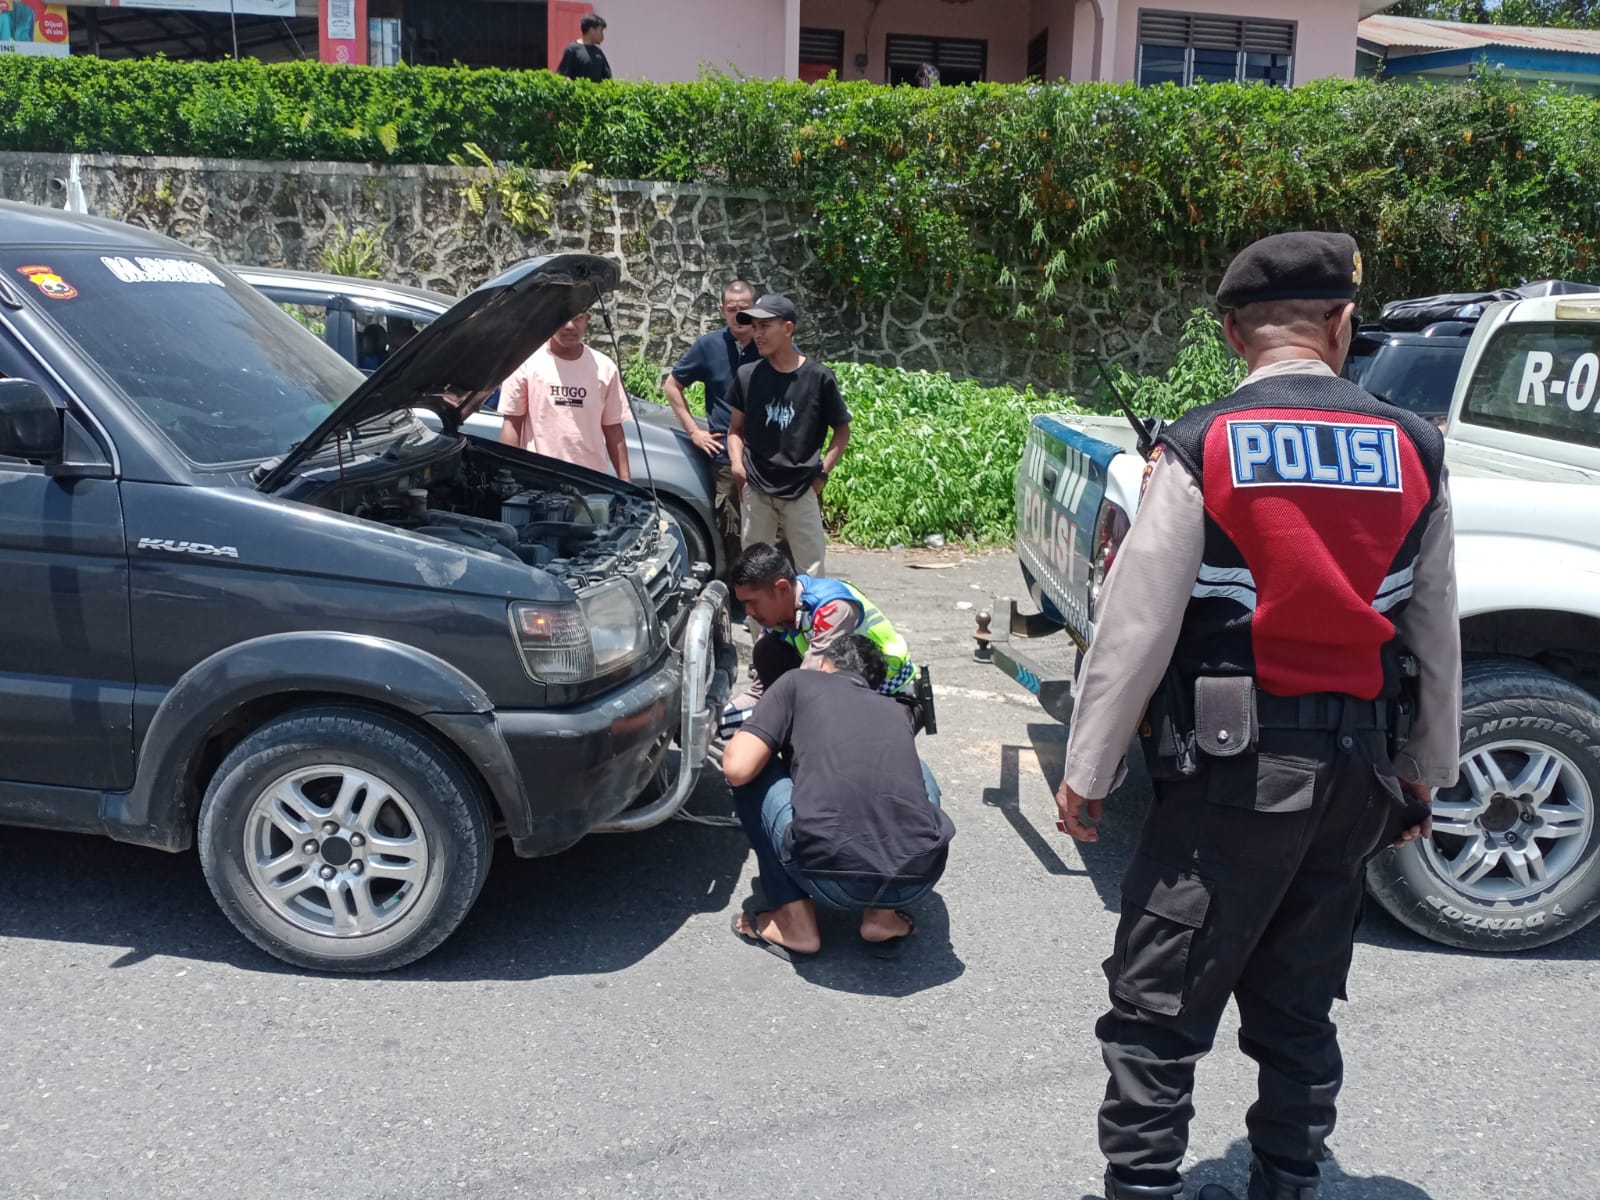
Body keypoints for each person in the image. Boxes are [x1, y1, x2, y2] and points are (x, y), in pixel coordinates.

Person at [1054, 231, 1460, 1200]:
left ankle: (1143, 1188)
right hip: (1355, 779)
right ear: (1340, 324)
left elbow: (1133, 628)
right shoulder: (1417, 449)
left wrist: (1088, 771)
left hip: (1228, 783)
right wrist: (1423, 771)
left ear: (1234, 335)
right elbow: (1432, 631)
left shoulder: (1202, 446)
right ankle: (1286, 1179)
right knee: (1301, 1000)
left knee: (1156, 1007)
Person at [721, 635, 954, 960]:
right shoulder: (894, 709)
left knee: (752, 770)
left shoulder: (798, 682)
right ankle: (882, 916)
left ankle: (794, 921)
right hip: (915, 877)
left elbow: (736, 767)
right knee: (918, 770)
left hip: (825, 872)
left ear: (823, 664)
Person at [725, 541, 925, 724]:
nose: (749, 612)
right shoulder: (779, 614)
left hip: (893, 698)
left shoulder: (832, 609)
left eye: (753, 602)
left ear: (782, 588)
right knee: (767, 651)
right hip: (848, 693)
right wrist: (720, 719)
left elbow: (804, 687)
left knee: (799, 721)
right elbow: (761, 692)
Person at [725, 293, 850, 579]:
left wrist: (822, 474)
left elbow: (842, 430)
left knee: (812, 571)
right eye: (754, 327)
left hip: (801, 488)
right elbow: (735, 429)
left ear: (788, 329)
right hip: (757, 488)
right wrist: (737, 465)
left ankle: (809, 624)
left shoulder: (819, 377)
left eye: (765, 326)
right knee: (754, 572)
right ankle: (760, 626)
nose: (758, 334)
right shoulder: (748, 375)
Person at [664, 280, 761, 570]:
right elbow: (672, 385)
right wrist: (694, 431)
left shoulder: (770, 342)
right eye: (731, 309)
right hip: (724, 458)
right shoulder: (709, 346)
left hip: (767, 454)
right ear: (722, 310)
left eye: (744, 309)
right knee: (731, 527)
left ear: (755, 308)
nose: (738, 315)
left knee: (774, 529)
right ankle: (740, 597)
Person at [498, 311, 631, 480]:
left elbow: (613, 428)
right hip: (538, 477)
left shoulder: (605, 368)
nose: (569, 326)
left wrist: (626, 482)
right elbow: (512, 424)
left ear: (587, 319)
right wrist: (509, 476)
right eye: (561, 318)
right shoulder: (525, 363)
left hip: (590, 482)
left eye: (578, 318)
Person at [556, 13, 612, 83]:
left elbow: (608, 79)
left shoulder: (599, 52)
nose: (602, 35)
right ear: (592, 30)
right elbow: (562, 76)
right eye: (600, 31)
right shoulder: (572, 49)